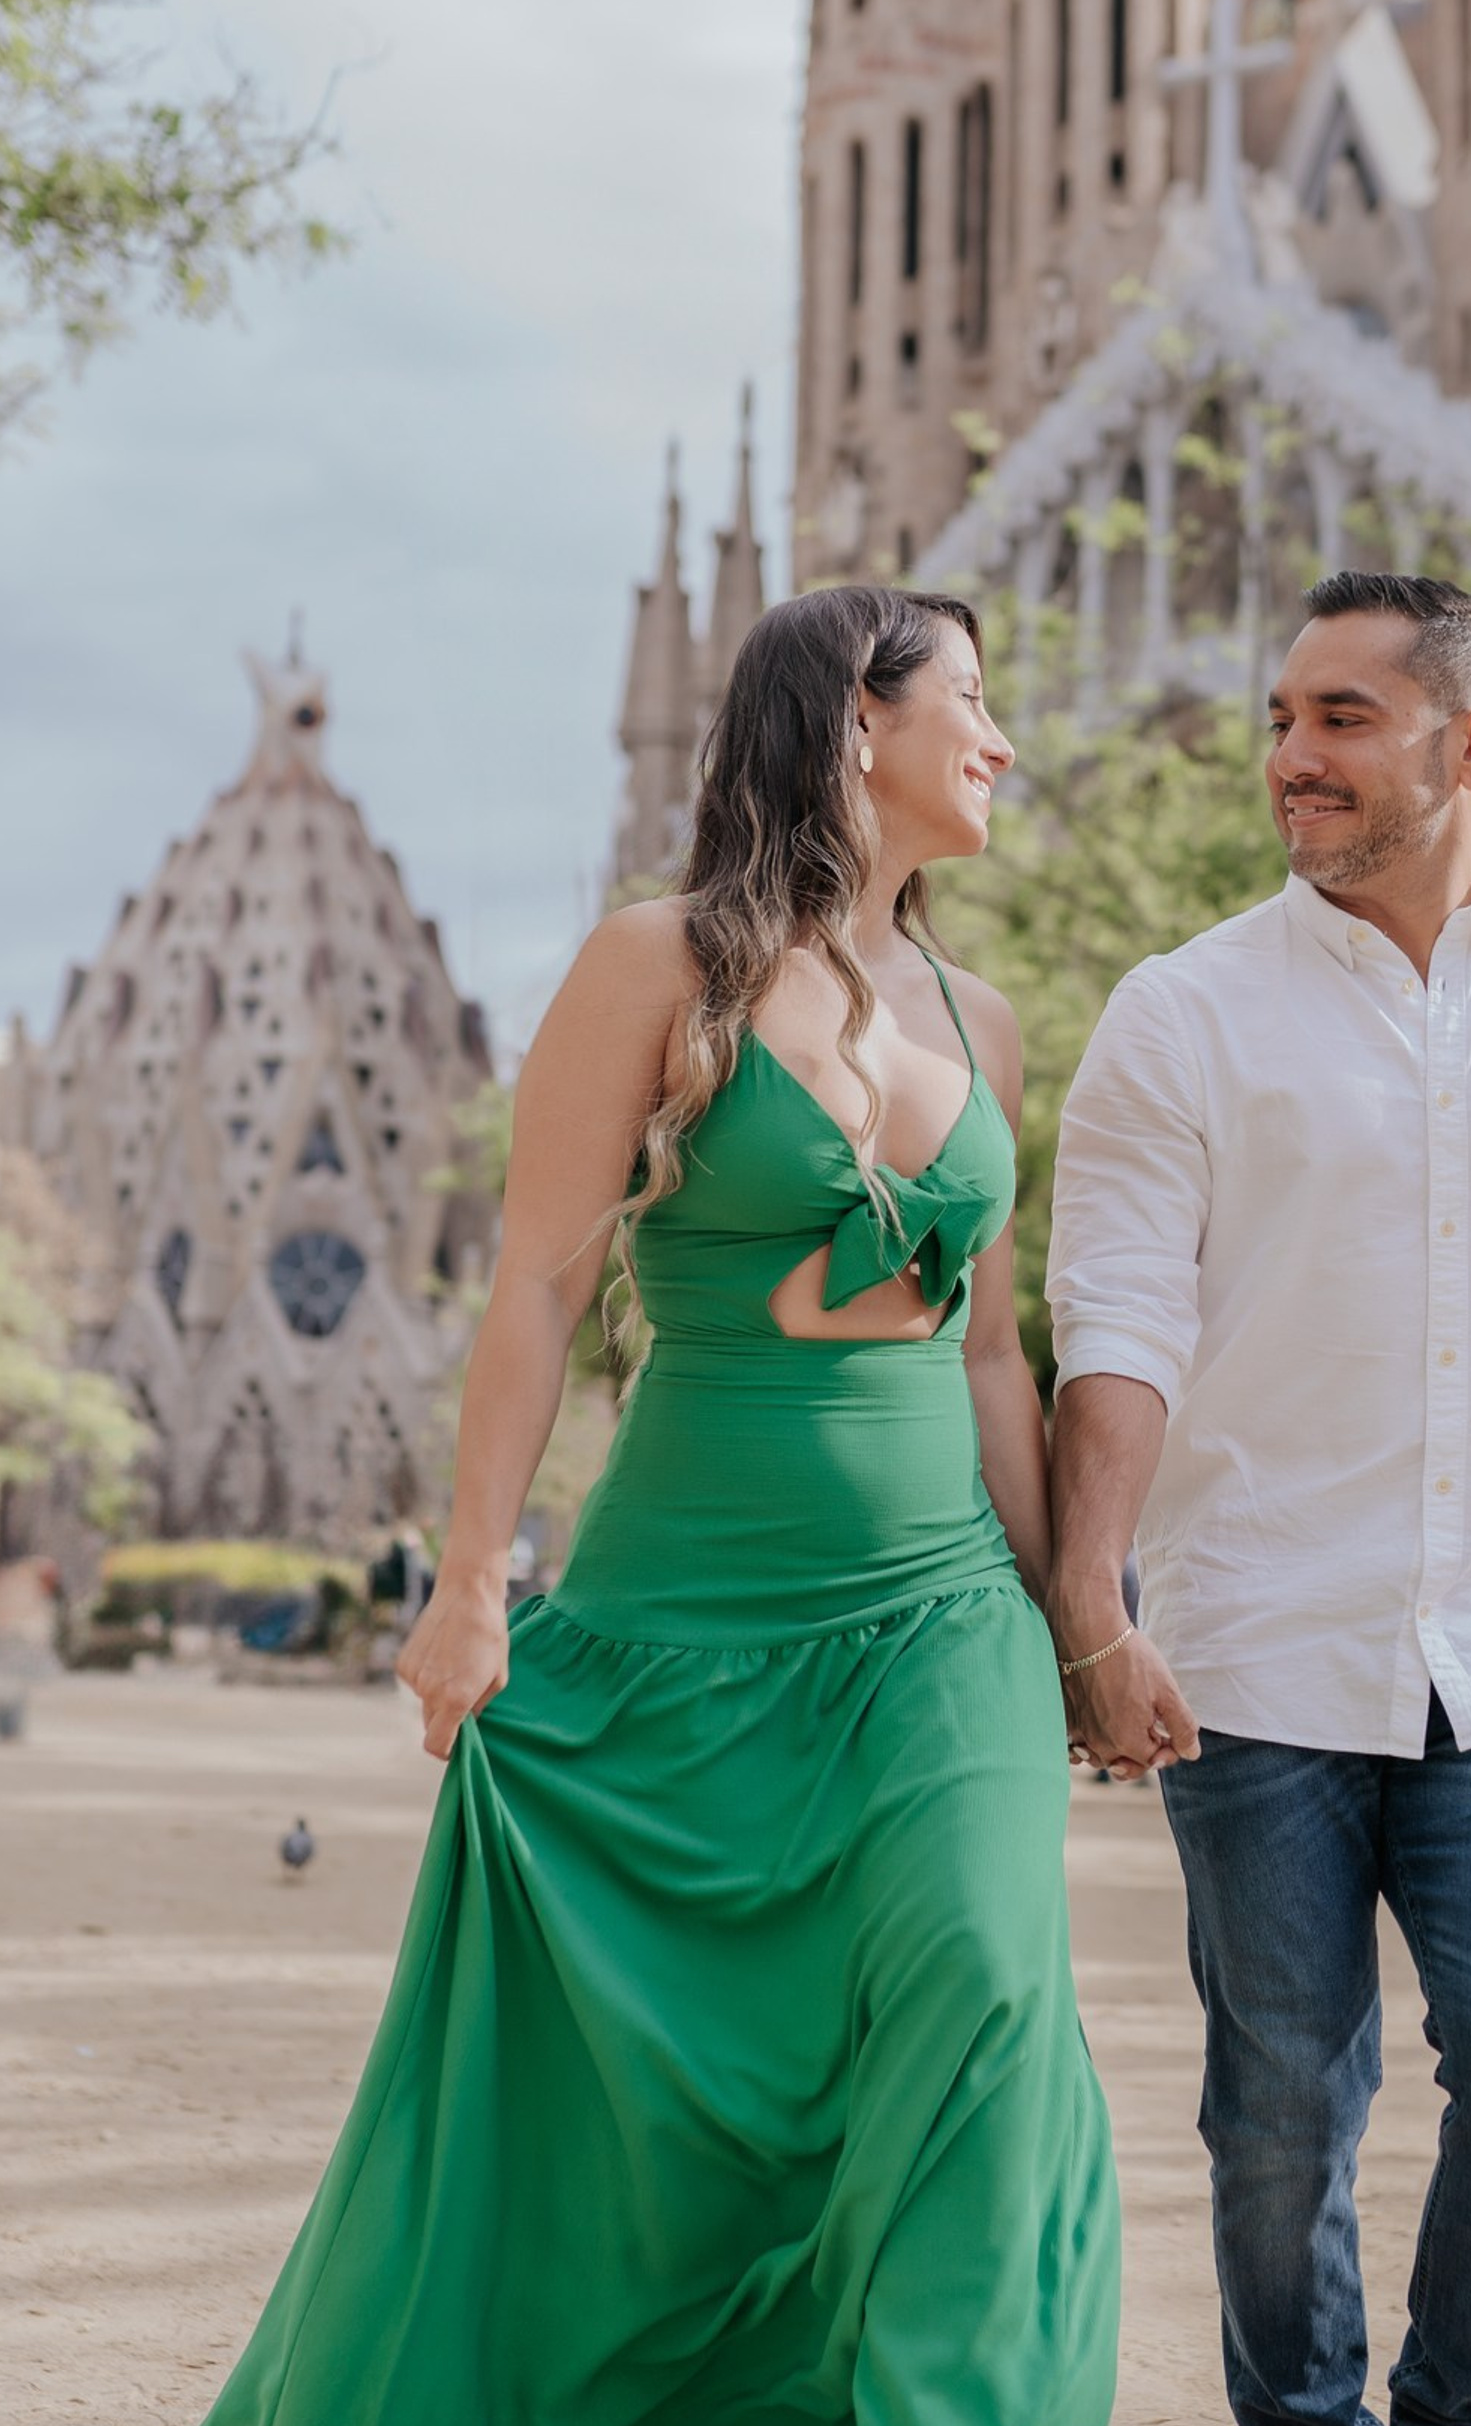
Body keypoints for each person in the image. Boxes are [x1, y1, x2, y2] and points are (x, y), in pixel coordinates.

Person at [203, 587, 1119, 2426]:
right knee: (670, 2106)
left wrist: (1075, 1627)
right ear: (860, 725)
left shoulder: (989, 1021)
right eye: (974, 701)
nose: (1004, 741)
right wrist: (474, 1582)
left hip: (942, 1615)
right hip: (683, 1614)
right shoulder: (658, 965)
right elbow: (537, 1283)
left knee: (985, 1999)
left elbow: (995, 1357)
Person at [1044, 571, 1471, 2426]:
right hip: (1254, 1647)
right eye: (1282, 720)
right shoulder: (1182, 1013)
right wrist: (1094, 1609)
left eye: (1343, 720)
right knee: (1279, 2103)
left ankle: (1461, 2405)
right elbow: (1114, 1320)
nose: (1295, 758)